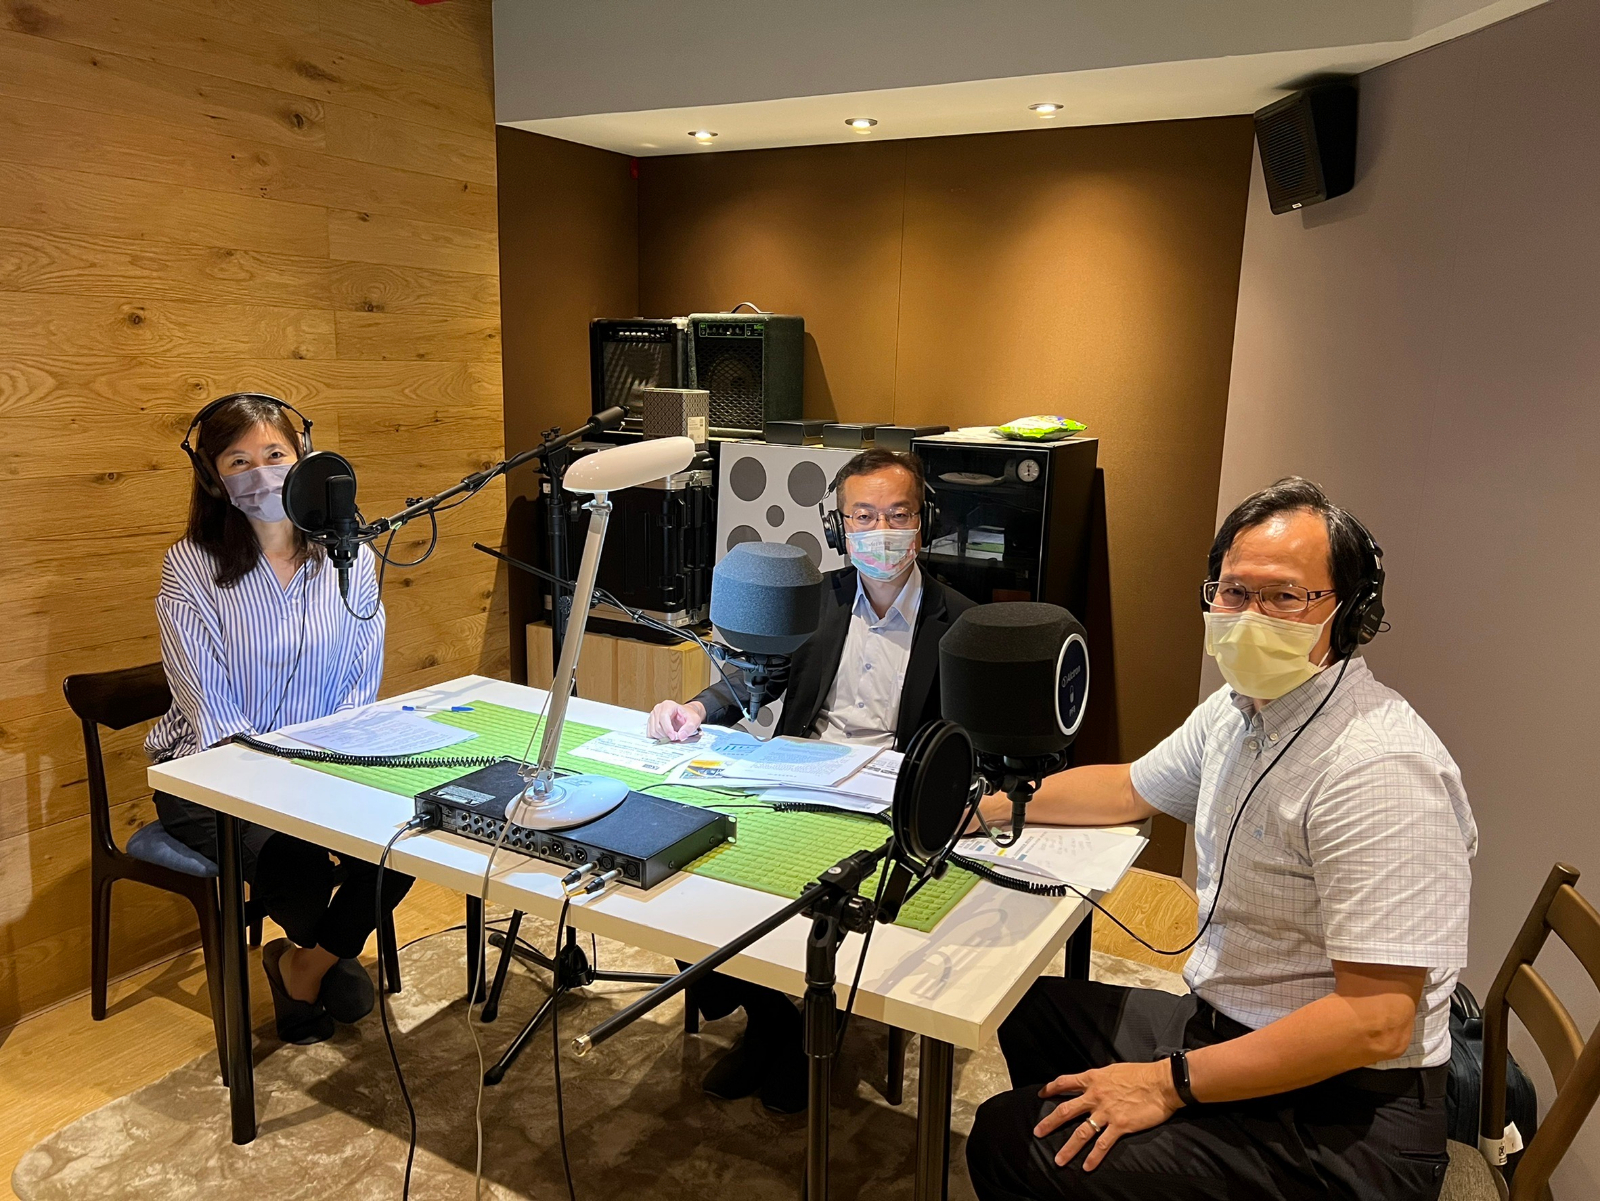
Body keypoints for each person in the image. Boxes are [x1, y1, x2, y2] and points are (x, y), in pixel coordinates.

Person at [965, 477, 1477, 1201]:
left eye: (1285, 596)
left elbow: (1376, 1022)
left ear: (1350, 611)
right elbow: (1126, 789)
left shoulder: (1379, 766)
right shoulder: (1238, 711)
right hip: (1233, 1029)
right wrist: (981, 809)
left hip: (1348, 1118)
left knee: (1011, 1139)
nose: (1250, 615)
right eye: (1234, 591)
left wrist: (1167, 1084)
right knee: (1032, 1010)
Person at [645, 447, 975, 1113]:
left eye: (896, 514)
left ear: (923, 522)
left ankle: (801, 1032)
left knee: (815, 902)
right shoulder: (813, 599)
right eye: (863, 515)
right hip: (799, 775)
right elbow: (752, 673)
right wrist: (694, 708)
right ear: (838, 527)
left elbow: (970, 745)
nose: (880, 530)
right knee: (681, 866)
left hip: (889, 801)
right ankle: (774, 1022)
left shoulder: (961, 621)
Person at [147, 393, 410, 1046]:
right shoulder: (190, 567)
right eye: (238, 460)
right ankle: (324, 956)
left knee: (414, 832)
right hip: (208, 775)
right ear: (213, 476)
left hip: (319, 763)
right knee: (300, 864)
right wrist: (293, 787)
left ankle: (304, 964)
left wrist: (336, 775)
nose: (260, 473)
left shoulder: (348, 560)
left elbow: (358, 686)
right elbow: (211, 708)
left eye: (275, 454)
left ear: (304, 462)